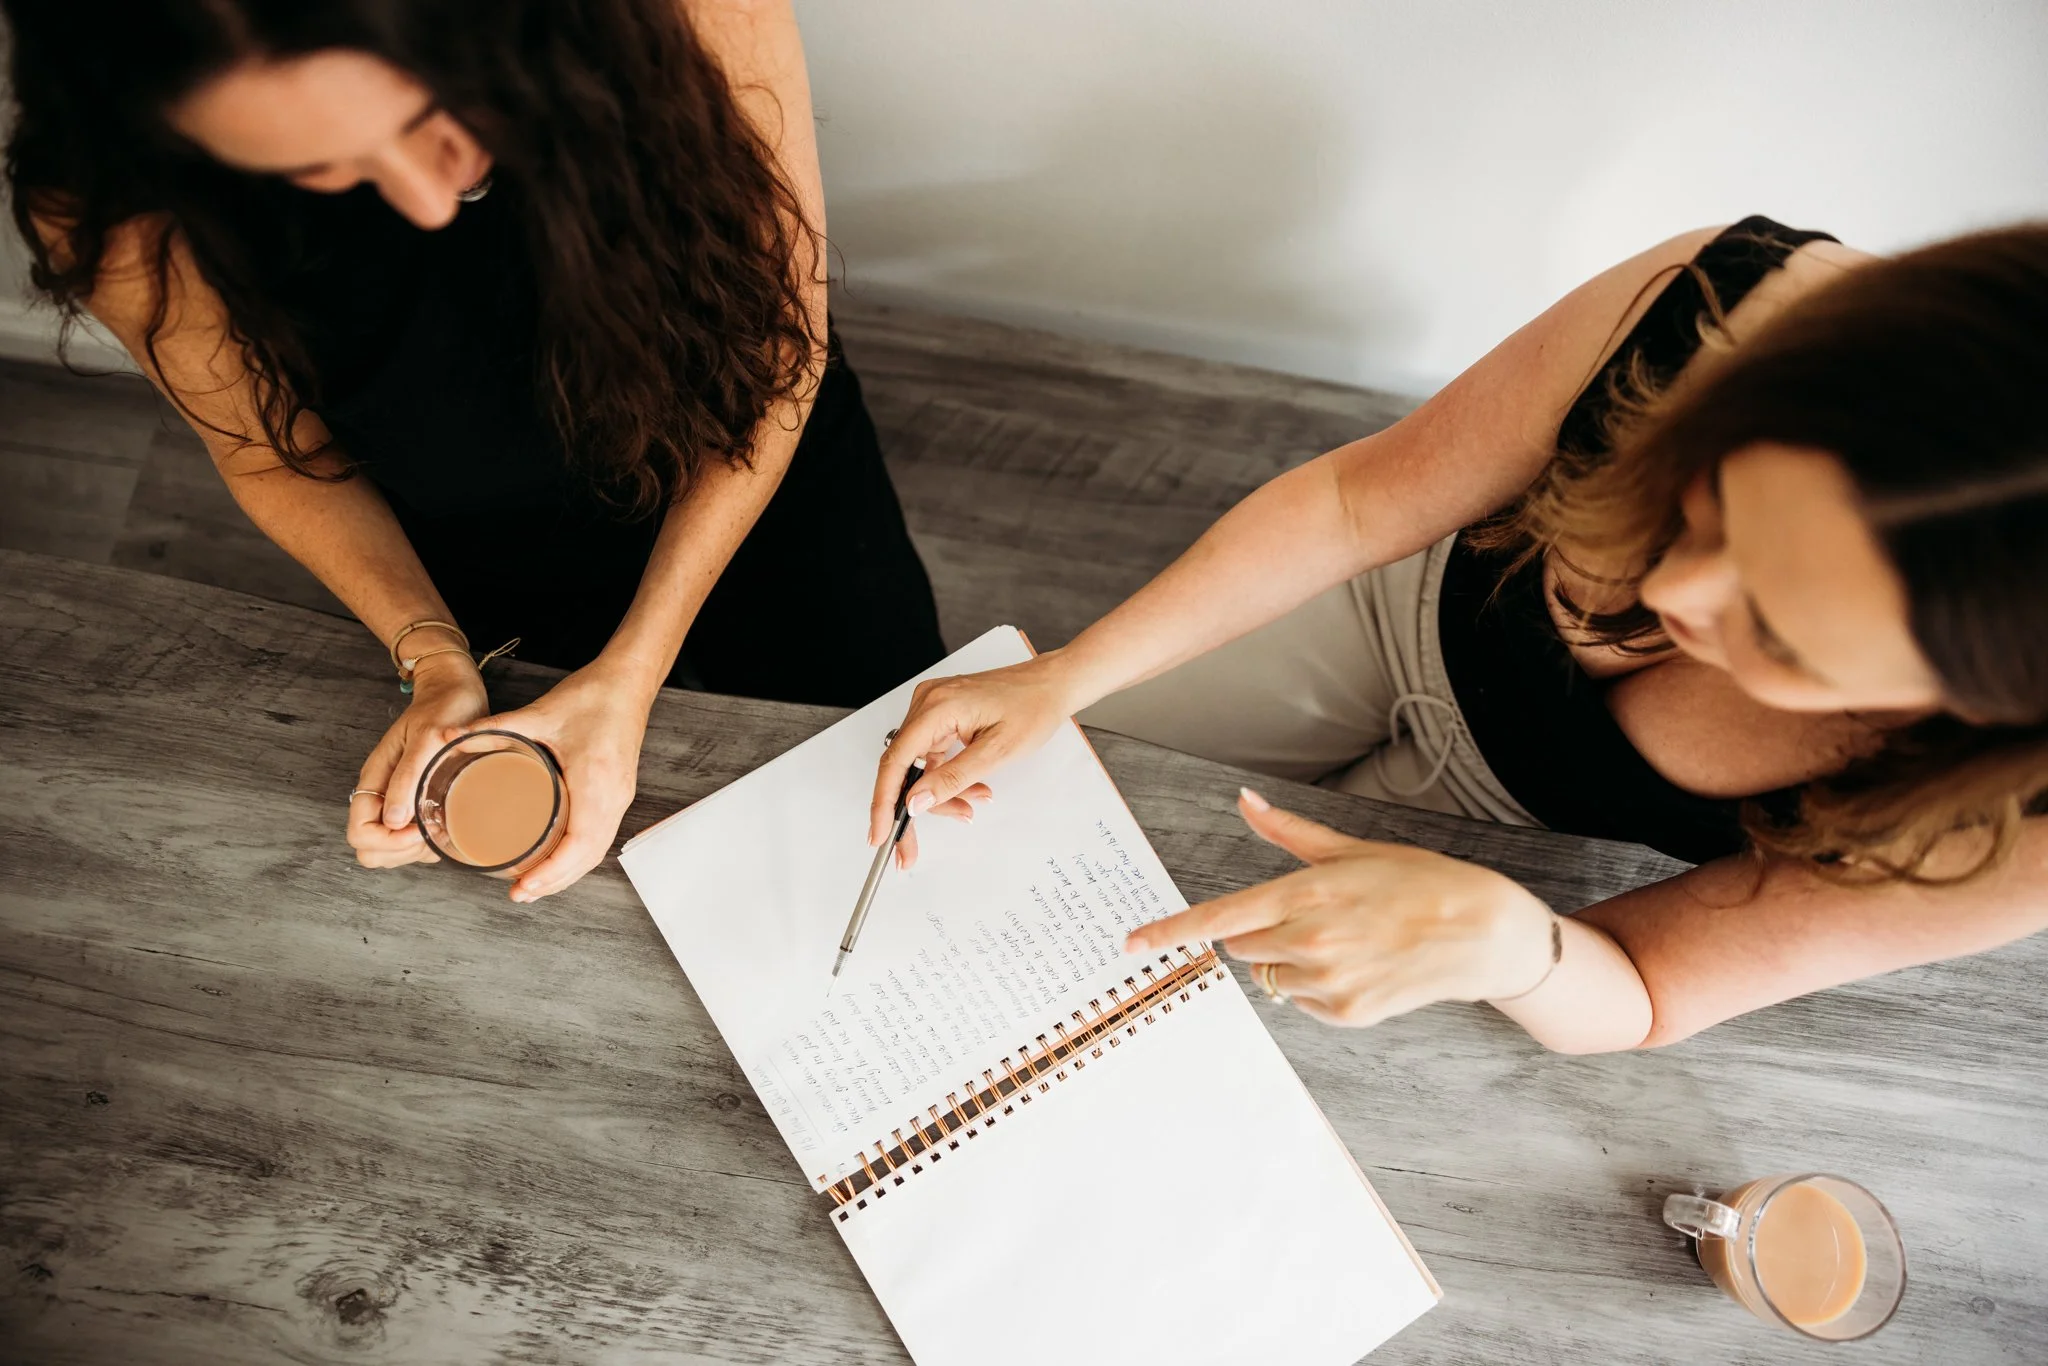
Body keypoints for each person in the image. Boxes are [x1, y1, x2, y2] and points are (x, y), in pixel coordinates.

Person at [871, 216, 2048, 1055]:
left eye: (1781, 633)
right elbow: (1353, 504)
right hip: (1387, 610)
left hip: (1517, 852)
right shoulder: (1720, 309)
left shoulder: (2014, 822)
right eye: (1714, 502)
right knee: (1003, 823)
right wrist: (1069, 672)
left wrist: (1514, 946)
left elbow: (1646, 987)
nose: (1678, 594)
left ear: (1966, 708)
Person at [3, 0, 947, 903]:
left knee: (906, 782)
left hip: (760, 464)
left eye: (431, 108)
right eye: (321, 168)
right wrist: (434, 655)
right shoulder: (113, 196)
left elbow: (781, 347)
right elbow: (269, 455)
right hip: (479, 544)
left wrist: (634, 670)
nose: (433, 197)